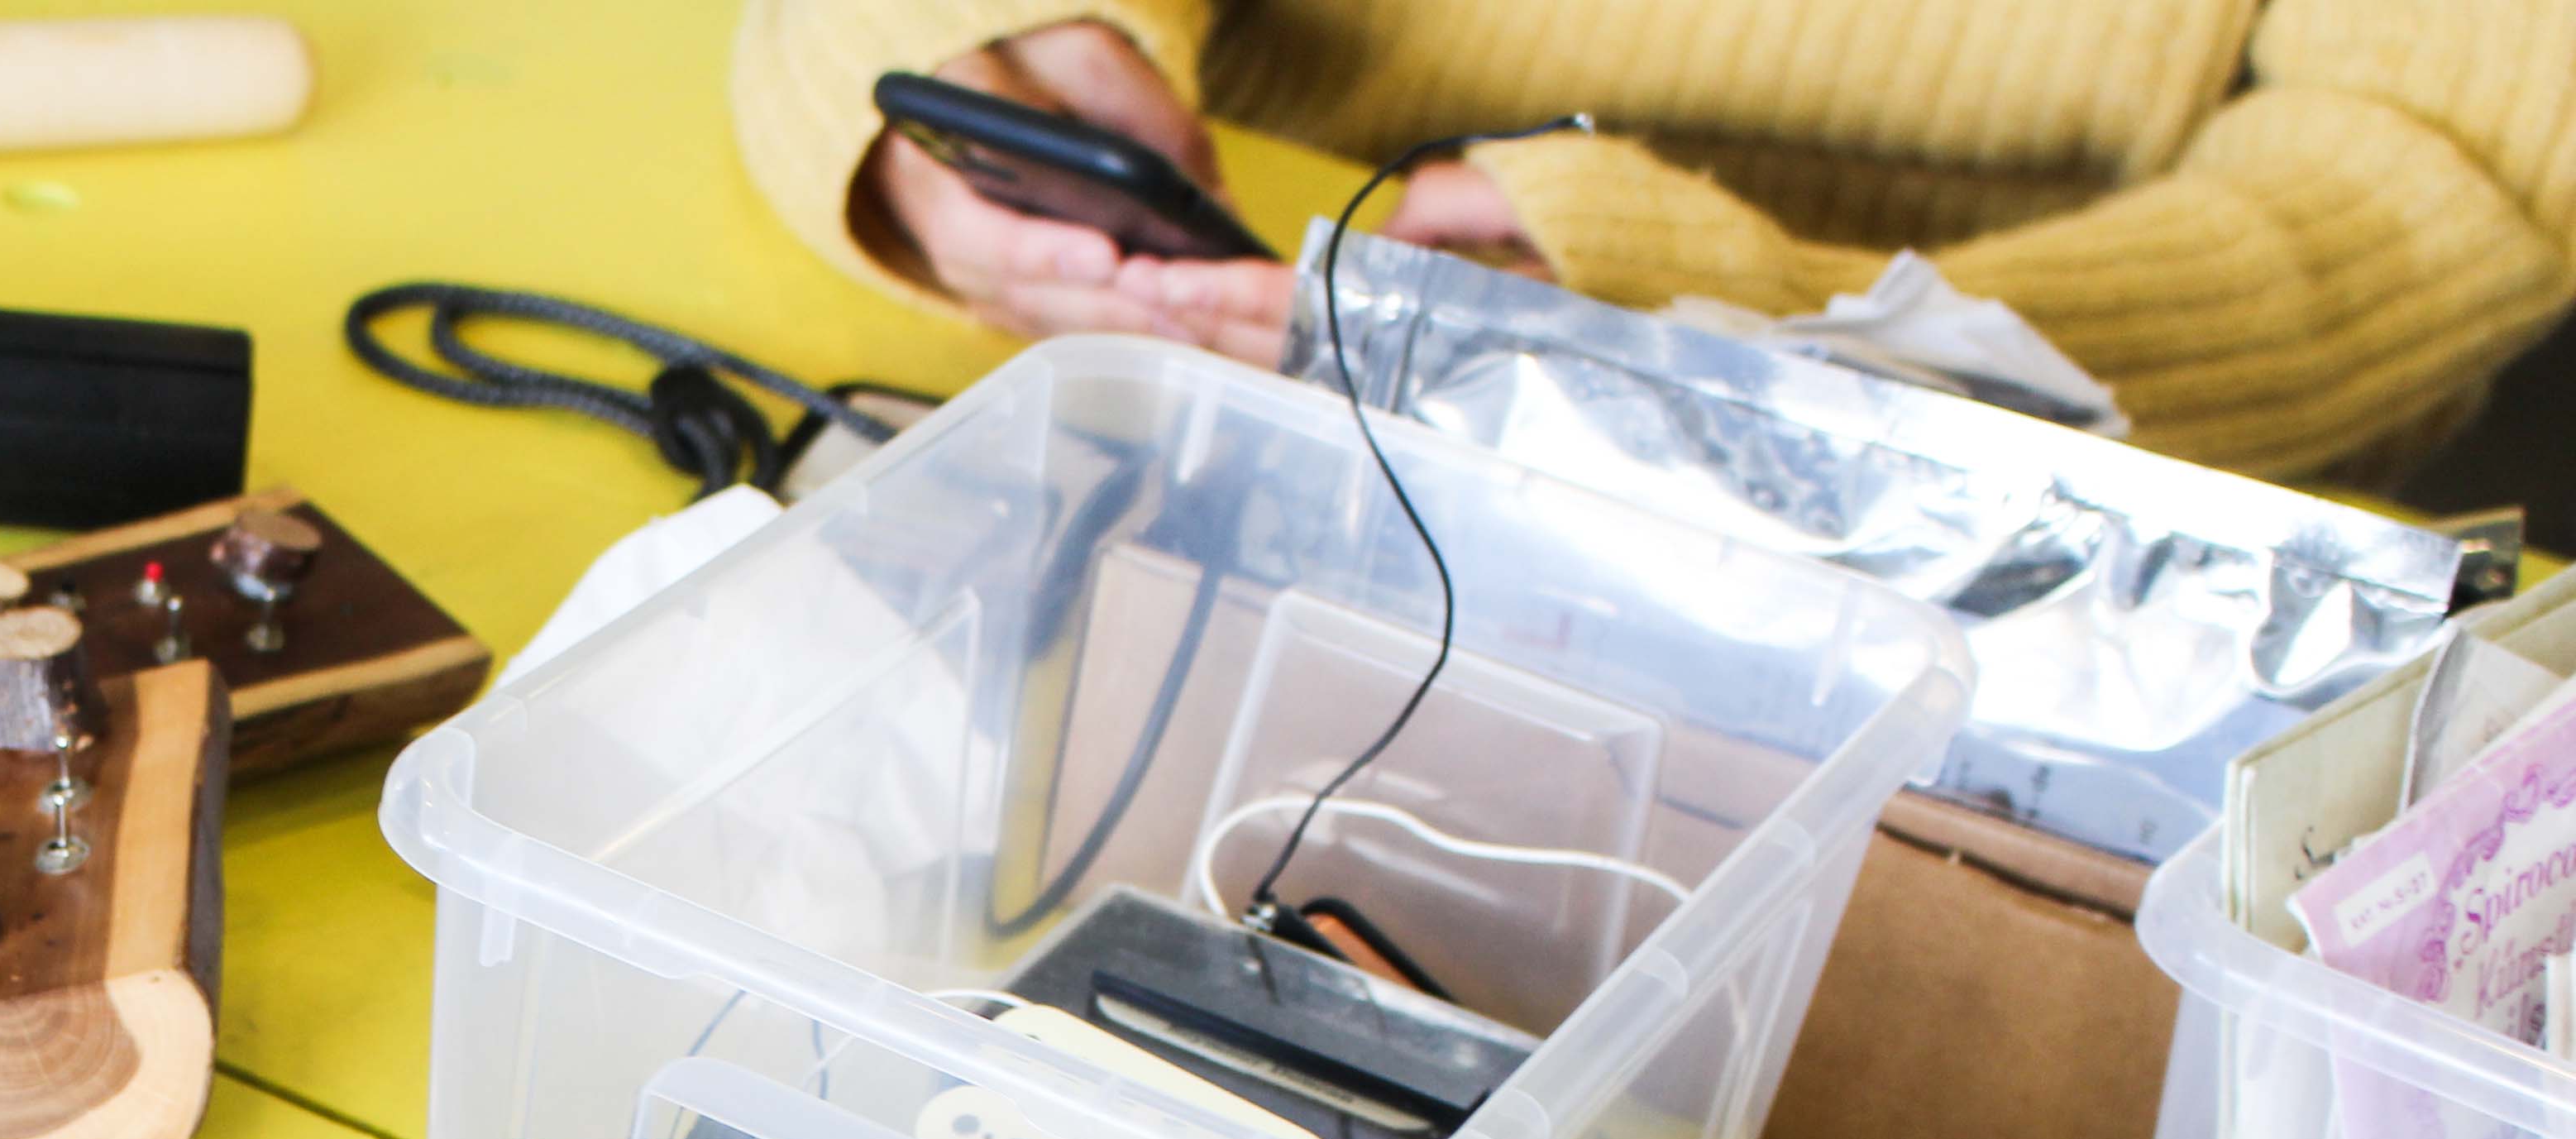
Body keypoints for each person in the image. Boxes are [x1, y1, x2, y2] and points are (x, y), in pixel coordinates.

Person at [730, 0, 2576, 481]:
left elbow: (2445, 171)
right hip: (1210, 285)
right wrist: (941, 78)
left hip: (1976, 448)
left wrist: (1779, 335)